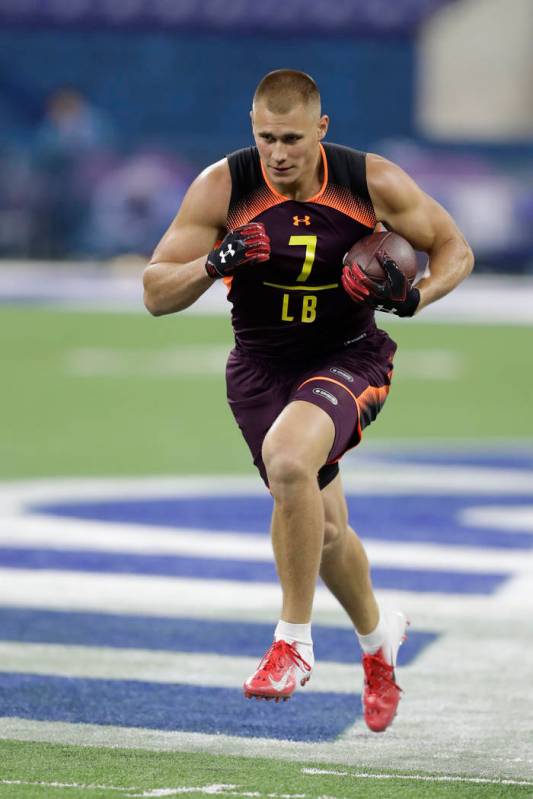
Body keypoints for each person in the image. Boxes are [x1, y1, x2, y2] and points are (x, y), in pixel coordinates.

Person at [143, 70, 473, 733]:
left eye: (291, 138)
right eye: (266, 137)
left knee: (289, 461)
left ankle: (291, 640)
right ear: (251, 129)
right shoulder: (223, 186)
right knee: (321, 530)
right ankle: (380, 641)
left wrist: (413, 298)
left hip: (349, 358)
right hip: (261, 369)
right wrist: (214, 263)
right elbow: (155, 291)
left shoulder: (369, 180)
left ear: (320, 130)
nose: (278, 152)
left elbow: (453, 249)